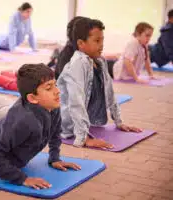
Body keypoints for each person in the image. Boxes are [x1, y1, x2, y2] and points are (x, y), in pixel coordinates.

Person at [57, 18, 142, 149]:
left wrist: (119, 122)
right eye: (97, 41)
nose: (101, 45)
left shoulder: (100, 61)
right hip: (65, 123)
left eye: (102, 40)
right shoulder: (77, 64)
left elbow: (109, 93)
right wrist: (83, 138)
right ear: (81, 43)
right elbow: (75, 101)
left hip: (88, 120)